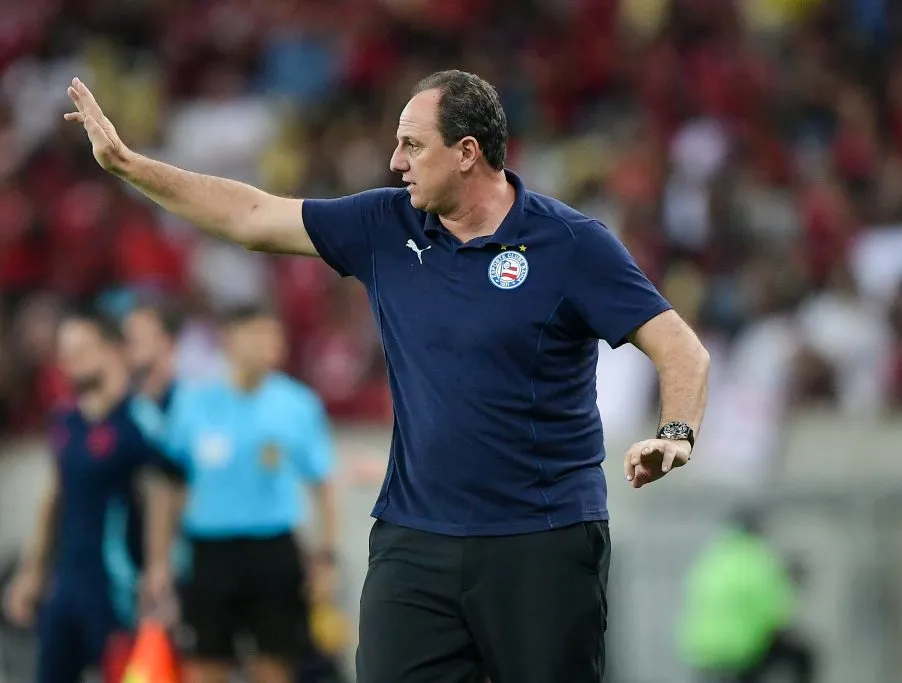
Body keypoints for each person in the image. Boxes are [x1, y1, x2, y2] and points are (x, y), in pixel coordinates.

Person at [64, 69, 711, 683]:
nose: (396, 162)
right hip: (415, 539)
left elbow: (682, 349)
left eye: (411, 145)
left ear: (466, 151)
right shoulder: (385, 225)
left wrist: (675, 430)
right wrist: (129, 165)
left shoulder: (570, 244)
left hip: (539, 540)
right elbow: (253, 217)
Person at [139, 304, 339, 683]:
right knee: (205, 665)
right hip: (211, 552)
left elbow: (322, 484)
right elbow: (167, 485)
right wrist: (159, 562)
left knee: (274, 666)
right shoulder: (193, 403)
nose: (266, 345)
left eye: (272, 336)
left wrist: (326, 558)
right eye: (256, 335)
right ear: (229, 340)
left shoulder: (297, 404)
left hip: (273, 551)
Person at [2, 310, 185, 683]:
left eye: (83, 350)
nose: (72, 362)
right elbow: (54, 496)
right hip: (67, 579)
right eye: (66, 354)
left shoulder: (140, 420)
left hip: (117, 581)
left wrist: (158, 566)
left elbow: (165, 489)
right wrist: (32, 571)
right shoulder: (66, 421)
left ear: (112, 350)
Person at [675, 509, 815, 683]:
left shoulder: (711, 558)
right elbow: (778, 614)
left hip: (702, 650)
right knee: (802, 656)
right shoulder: (759, 558)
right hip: (741, 650)